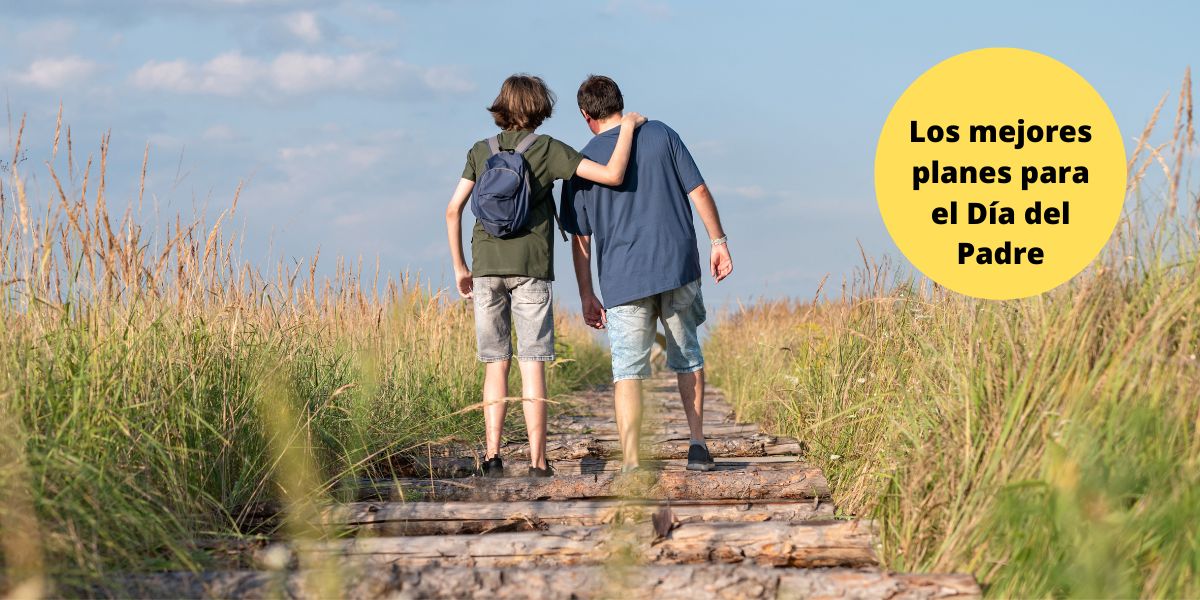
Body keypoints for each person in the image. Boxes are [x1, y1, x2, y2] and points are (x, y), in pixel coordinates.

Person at [445, 74, 645, 477]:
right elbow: (612, 175)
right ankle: (537, 462)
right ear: (541, 108)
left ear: (502, 106)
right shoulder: (548, 149)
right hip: (532, 269)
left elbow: (452, 210)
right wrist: (628, 127)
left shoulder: (479, 150)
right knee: (532, 363)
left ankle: (492, 457)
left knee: (494, 364)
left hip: (485, 267)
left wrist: (460, 267)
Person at [562, 75, 733, 473]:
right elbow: (700, 192)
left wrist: (587, 293)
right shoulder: (661, 134)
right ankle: (696, 445)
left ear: (586, 115)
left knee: (628, 371)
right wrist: (718, 241)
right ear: (621, 103)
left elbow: (580, 239)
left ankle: (633, 462)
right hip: (677, 267)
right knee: (688, 356)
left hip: (623, 280)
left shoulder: (582, 163)